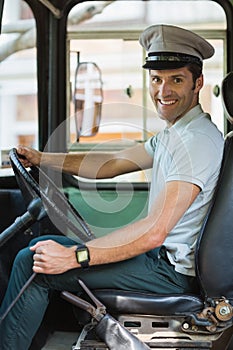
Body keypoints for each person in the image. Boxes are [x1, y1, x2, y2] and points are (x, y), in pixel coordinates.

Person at [0, 24, 224, 349]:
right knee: (43, 245)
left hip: (169, 272)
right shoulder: (175, 135)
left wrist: (74, 257)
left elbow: (155, 231)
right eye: (157, 80)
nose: (163, 91)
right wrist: (42, 157)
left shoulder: (197, 142)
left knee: (32, 264)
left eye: (176, 79)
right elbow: (111, 165)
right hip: (158, 259)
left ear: (198, 83)